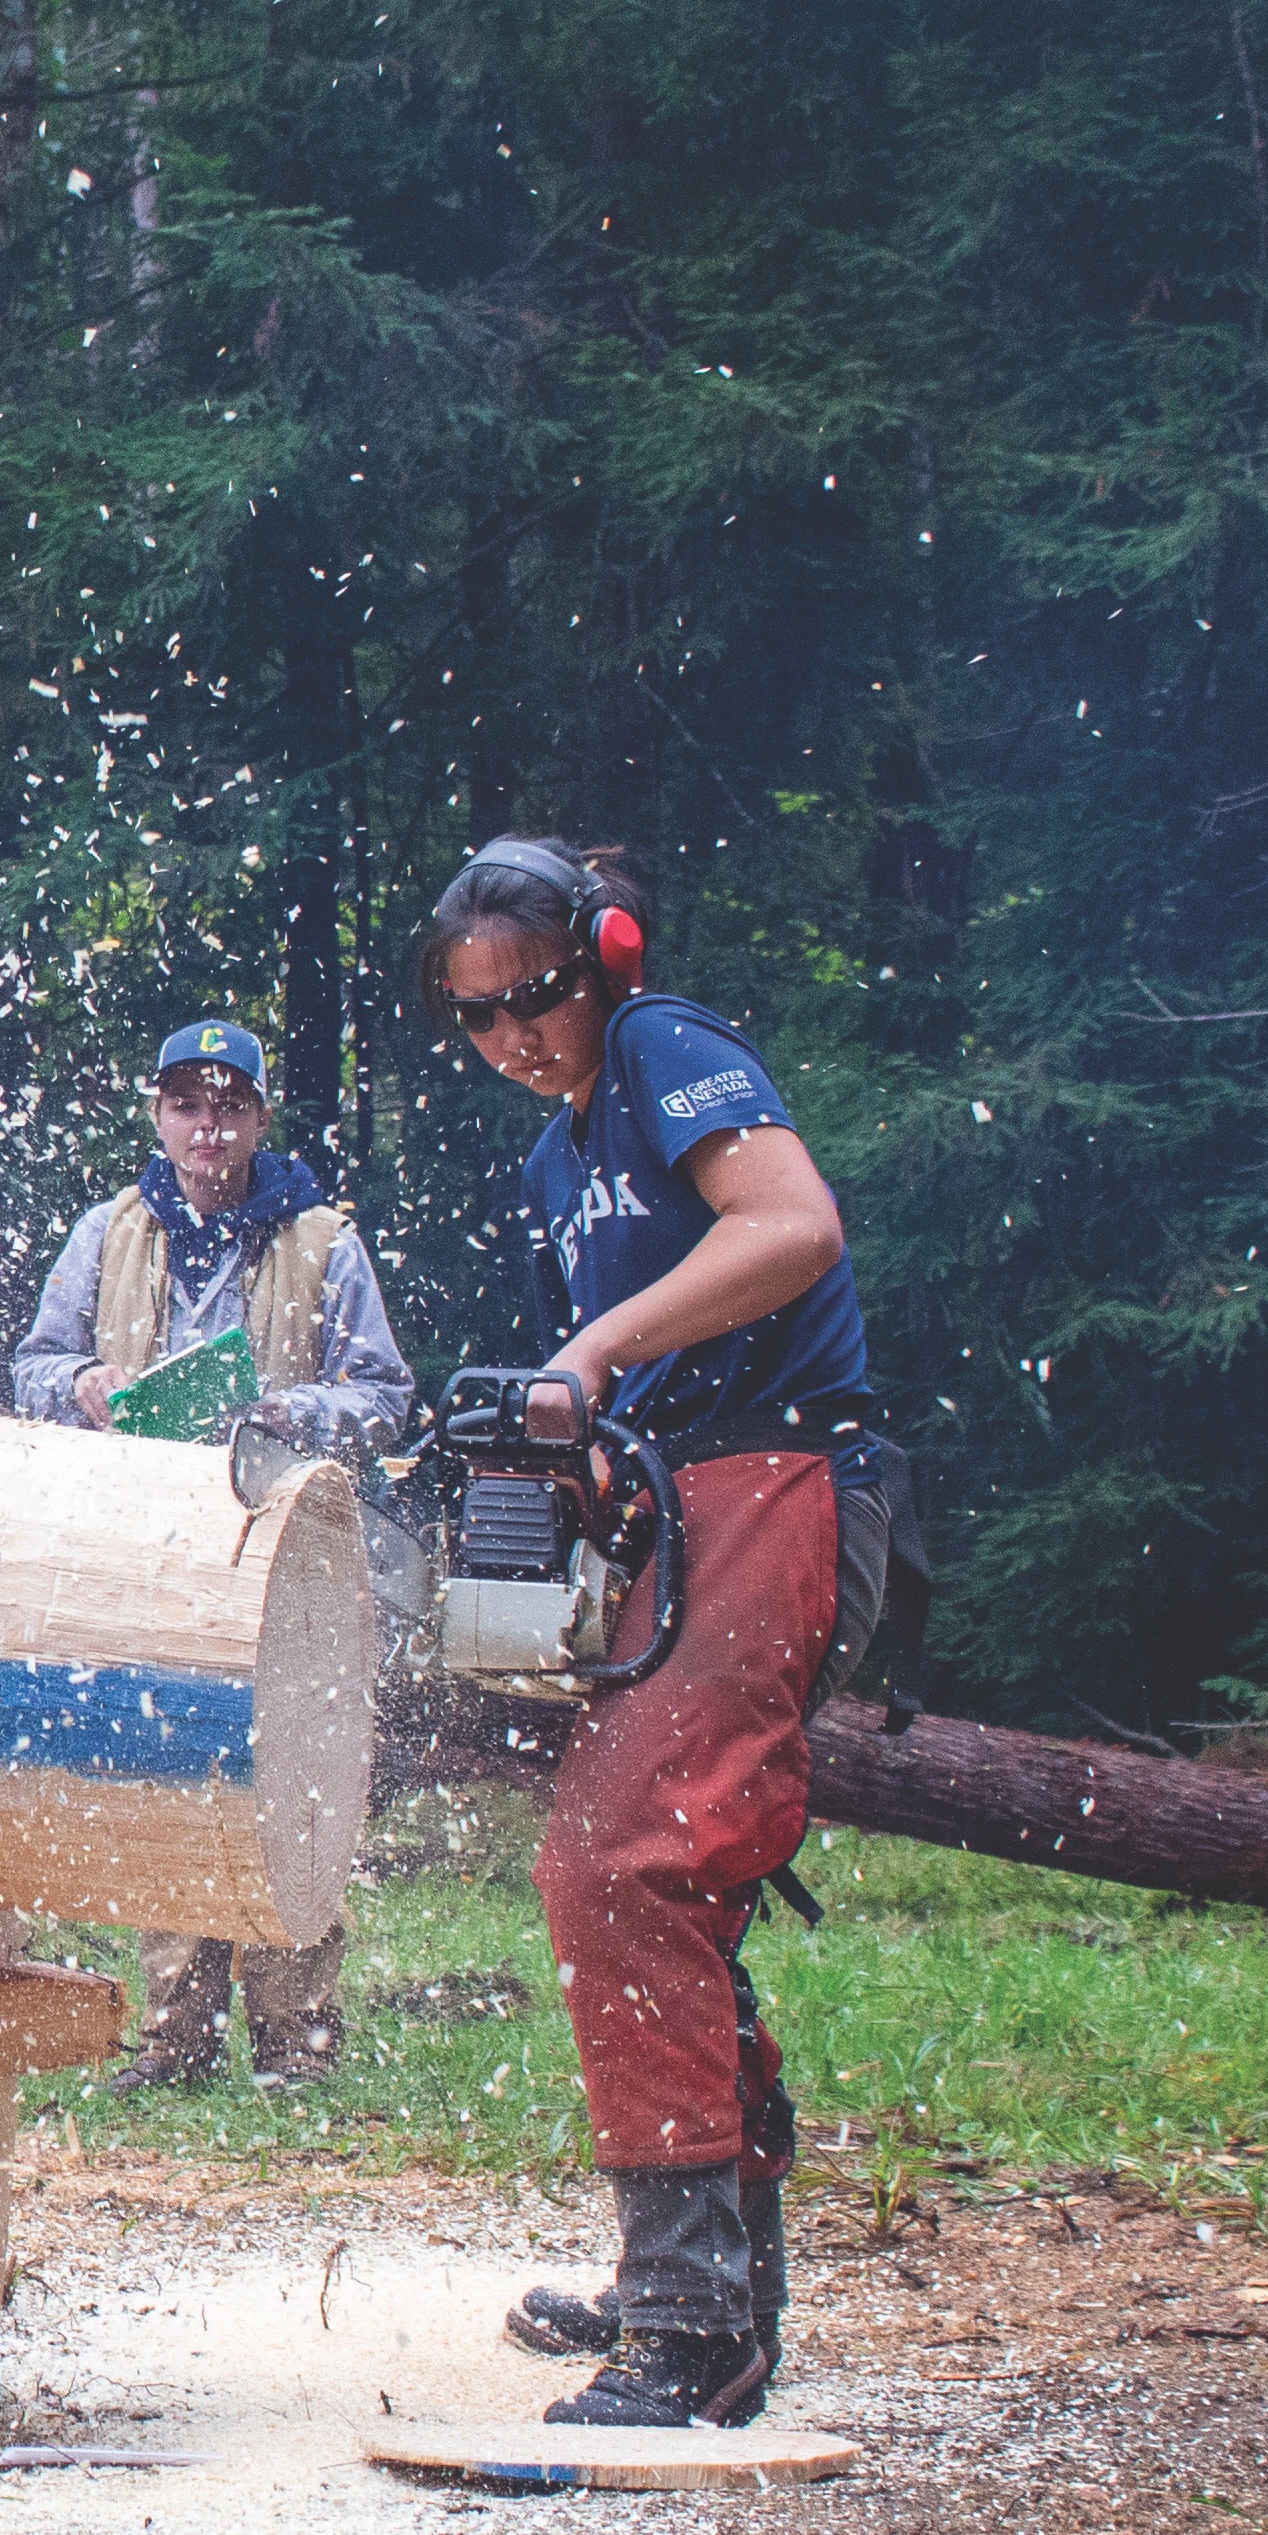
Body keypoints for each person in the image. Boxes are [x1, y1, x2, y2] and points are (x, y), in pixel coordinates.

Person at [418, 838, 871, 2429]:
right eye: (478, 1019)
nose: (516, 1037)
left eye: (537, 997)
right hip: (690, 1497)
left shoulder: (669, 1052)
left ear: (603, 957)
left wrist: (591, 1355)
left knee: (627, 1860)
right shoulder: (558, 1160)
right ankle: (703, 2271)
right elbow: (628, 1389)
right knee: (645, 1870)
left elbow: (794, 1229)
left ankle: (692, 2324)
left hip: (789, 1474)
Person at [12, 1018, 415, 2088]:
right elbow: (34, 1367)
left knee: (298, 1778)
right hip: (156, 1545)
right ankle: (176, 2040)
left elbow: (384, 1396)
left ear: (259, 1120)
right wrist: (81, 1387)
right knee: (171, 1765)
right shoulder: (106, 1232)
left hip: (293, 1546)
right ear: (158, 1114)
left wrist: (293, 1410)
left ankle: (298, 2042)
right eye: (188, 1105)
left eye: (229, 1106)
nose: (208, 1127)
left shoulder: (326, 1239)